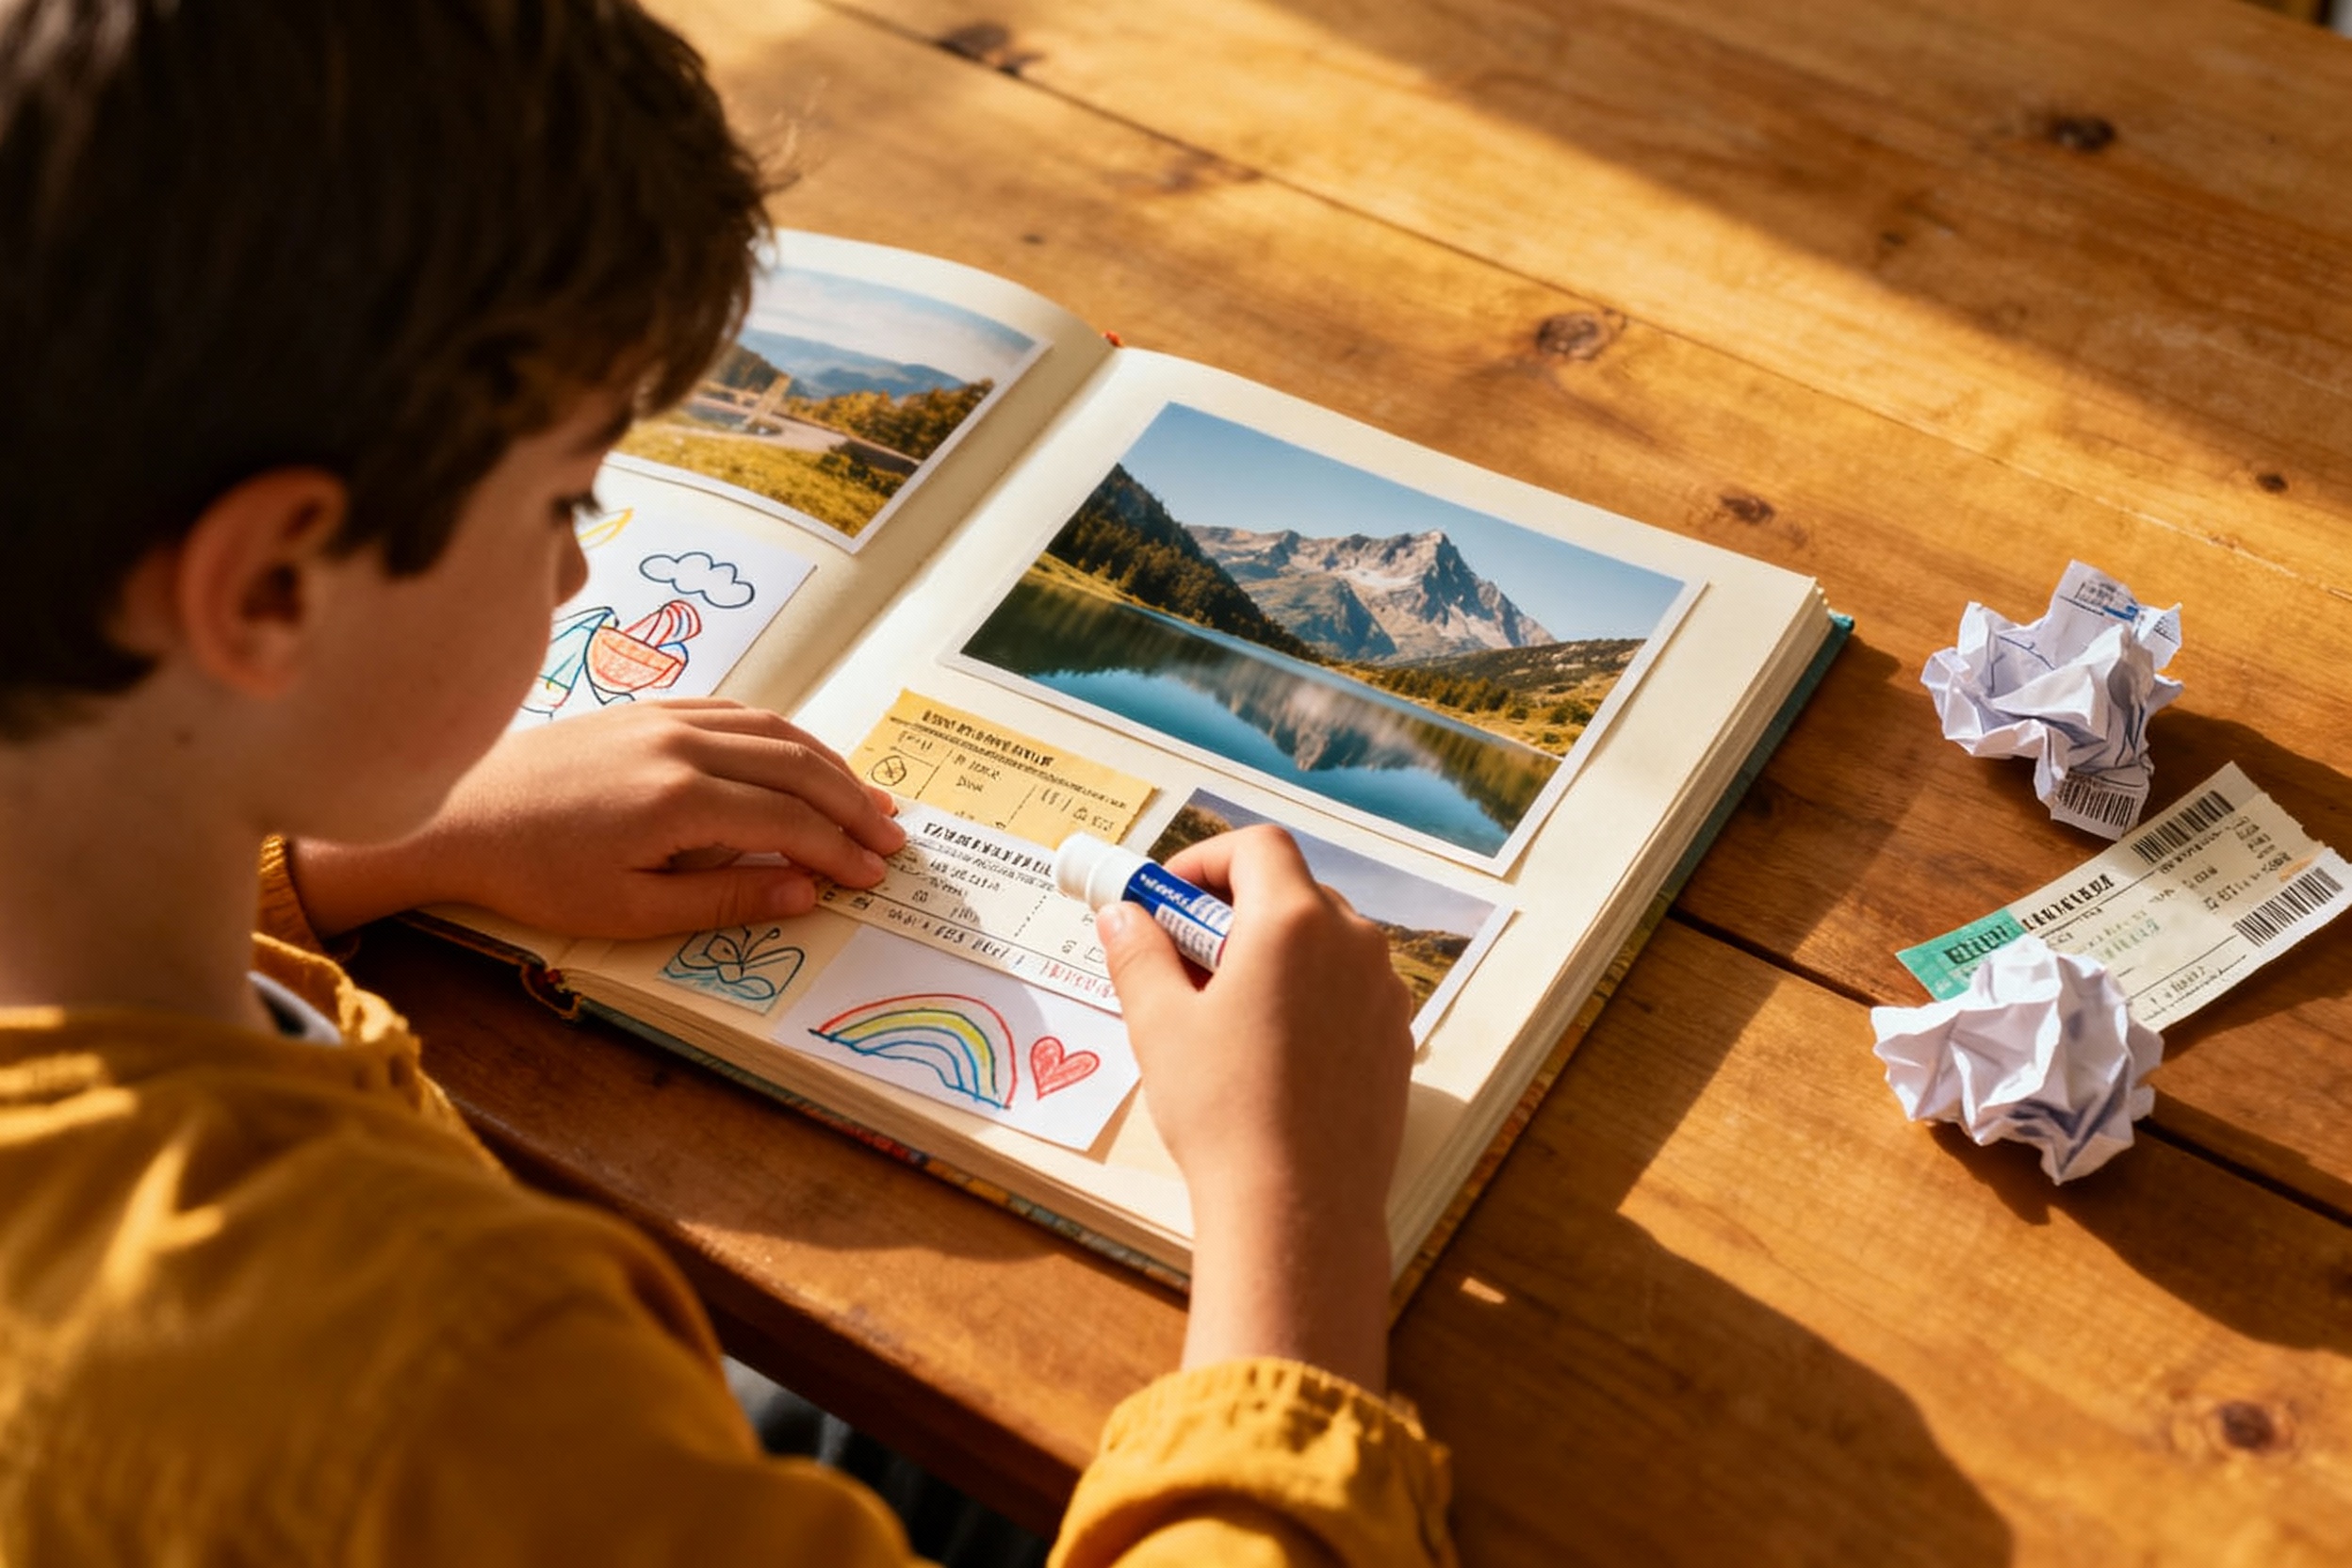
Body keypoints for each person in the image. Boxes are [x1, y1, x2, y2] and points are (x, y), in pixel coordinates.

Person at [0, 1, 1456, 1562]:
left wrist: (374, 852)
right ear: (277, 586)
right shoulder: (449, 1381)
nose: (575, 573)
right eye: (565, 497)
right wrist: (1287, 1224)